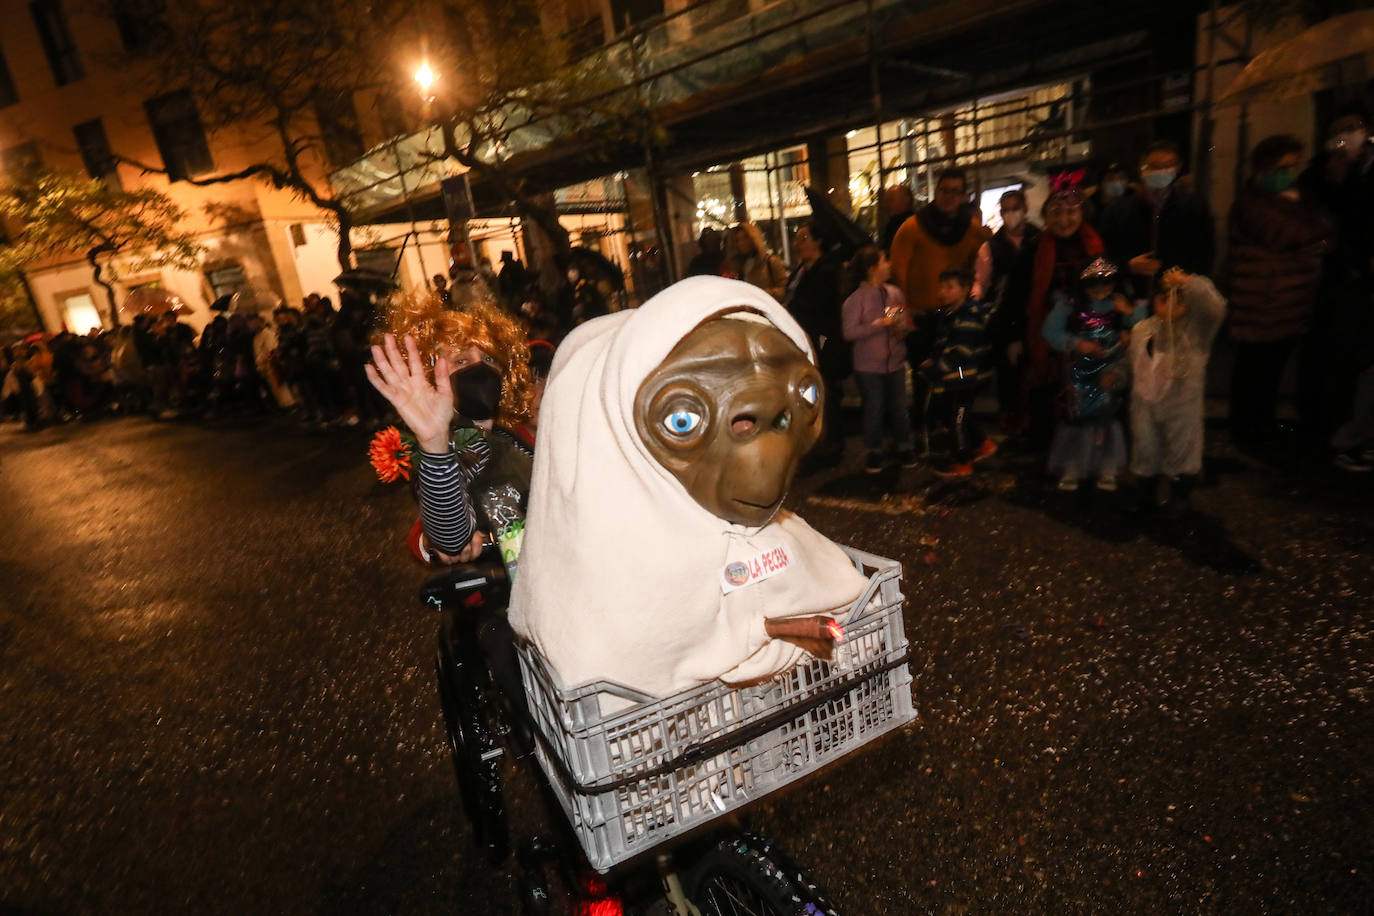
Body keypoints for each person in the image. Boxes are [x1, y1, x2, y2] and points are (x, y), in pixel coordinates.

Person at [366, 294, 536, 565]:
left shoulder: (512, 436)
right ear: (432, 378)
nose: (480, 368)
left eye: (490, 359)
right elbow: (453, 537)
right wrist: (434, 445)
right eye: (461, 361)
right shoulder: (457, 450)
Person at [1226, 134, 1332, 454]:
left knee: (1271, 372)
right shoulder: (1253, 203)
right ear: (1265, 168)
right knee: (1254, 371)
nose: (1290, 172)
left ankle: (1262, 425)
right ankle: (1247, 429)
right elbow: (1294, 235)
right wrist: (1312, 240)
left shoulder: (1299, 199)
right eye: (1284, 166)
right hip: (1260, 304)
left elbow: (1328, 232)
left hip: (1286, 305)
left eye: (1294, 165)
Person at [888, 168, 991, 433]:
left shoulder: (971, 230)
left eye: (956, 192)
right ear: (937, 191)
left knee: (954, 376)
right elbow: (898, 273)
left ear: (964, 196)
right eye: (945, 190)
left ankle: (951, 428)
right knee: (924, 377)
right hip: (920, 318)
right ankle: (923, 429)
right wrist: (903, 313)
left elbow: (987, 255)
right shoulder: (912, 227)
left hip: (954, 319)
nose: (950, 197)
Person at [1298, 103, 1374, 451]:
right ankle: (1314, 421)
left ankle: (1344, 423)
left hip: (1358, 277)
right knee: (1318, 351)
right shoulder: (1317, 171)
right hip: (1321, 279)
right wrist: (1330, 182)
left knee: (1351, 353)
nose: (1346, 135)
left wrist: (1348, 184)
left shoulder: (1369, 169)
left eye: (1352, 127)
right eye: (1338, 129)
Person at [1041, 258, 1145, 491]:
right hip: (1079, 370)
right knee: (1077, 416)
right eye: (1094, 286)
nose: (1100, 291)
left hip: (1112, 368)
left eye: (1106, 285)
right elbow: (1050, 331)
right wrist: (1077, 344)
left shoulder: (1119, 303)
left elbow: (1143, 326)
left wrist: (1128, 316)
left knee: (1108, 417)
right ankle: (1072, 466)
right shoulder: (1070, 304)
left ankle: (1107, 467)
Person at [1129, 269, 1227, 509]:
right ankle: (1145, 496)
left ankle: (1179, 498)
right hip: (1145, 404)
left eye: (1178, 301)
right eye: (1163, 300)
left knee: (1182, 450)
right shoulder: (1142, 329)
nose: (1168, 306)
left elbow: (1216, 307)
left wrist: (1189, 282)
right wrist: (1117, 375)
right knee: (1146, 449)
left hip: (1181, 406)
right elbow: (1131, 362)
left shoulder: (1197, 332)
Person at [1022, 186, 1107, 450]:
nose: (1063, 220)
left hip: (1091, 333)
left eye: (1071, 212)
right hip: (1047, 337)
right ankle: (1055, 456)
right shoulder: (1034, 249)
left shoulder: (1096, 246)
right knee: (1050, 395)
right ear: (1045, 216)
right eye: (1055, 213)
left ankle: (1088, 453)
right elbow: (1018, 294)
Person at [1100, 141, 1214, 300]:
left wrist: (1186, 281)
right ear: (1142, 169)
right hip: (1131, 303)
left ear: (1178, 167)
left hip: (1177, 302)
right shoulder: (1118, 211)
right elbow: (1102, 259)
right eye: (1155, 166)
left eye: (1169, 165)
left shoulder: (1194, 208)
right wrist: (1128, 266)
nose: (1162, 171)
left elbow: (1205, 256)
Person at [842, 245, 916, 474]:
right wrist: (878, 325)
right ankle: (874, 451)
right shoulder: (855, 299)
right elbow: (849, 332)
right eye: (885, 260)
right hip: (868, 366)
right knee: (874, 408)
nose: (889, 264)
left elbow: (902, 318)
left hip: (895, 361)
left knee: (899, 407)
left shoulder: (894, 292)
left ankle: (904, 446)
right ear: (872, 268)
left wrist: (903, 327)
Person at [973, 188, 1041, 425]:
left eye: (1016, 208)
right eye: (1006, 210)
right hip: (1006, 322)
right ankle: (1011, 426)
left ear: (1025, 209)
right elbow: (981, 283)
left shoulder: (1040, 239)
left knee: (1036, 376)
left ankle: (1033, 426)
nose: (1012, 214)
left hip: (1037, 318)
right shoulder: (991, 247)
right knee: (1009, 377)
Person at [923, 268, 998, 477]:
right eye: (941, 287)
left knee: (956, 418)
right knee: (957, 413)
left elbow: (961, 352)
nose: (943, 292)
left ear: (965, 289)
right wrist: (934, 360)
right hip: (957, 374)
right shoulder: (950, 314)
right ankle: (982, 444)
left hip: (965, 376)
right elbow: (944, 344)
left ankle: (962, 461)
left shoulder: (967, 316)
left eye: (949, 287)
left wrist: (937, 369)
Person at [785, 220, 848, 462]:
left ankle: (831, 443)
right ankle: (820, 440)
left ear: (818, 242)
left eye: (803, 238)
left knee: (827, 391)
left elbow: (822, 308)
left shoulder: (826, 271)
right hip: (804, 340)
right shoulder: (802, 270)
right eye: (797, 239)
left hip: (822, 341)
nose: (797, 244)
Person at [723, 223, 787, 301]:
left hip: (767, 308)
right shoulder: (740, 265)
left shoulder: (771, 261)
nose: (741, 243)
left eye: (745, 238)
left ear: (754, 239)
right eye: (738, 240)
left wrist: (761, 294)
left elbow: (784, 290)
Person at [879, 183, 915, 254]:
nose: (886, 205)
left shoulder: (912, 224)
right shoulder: (892, 223)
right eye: (885, 201)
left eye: (891, 200)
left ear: (906, 200)